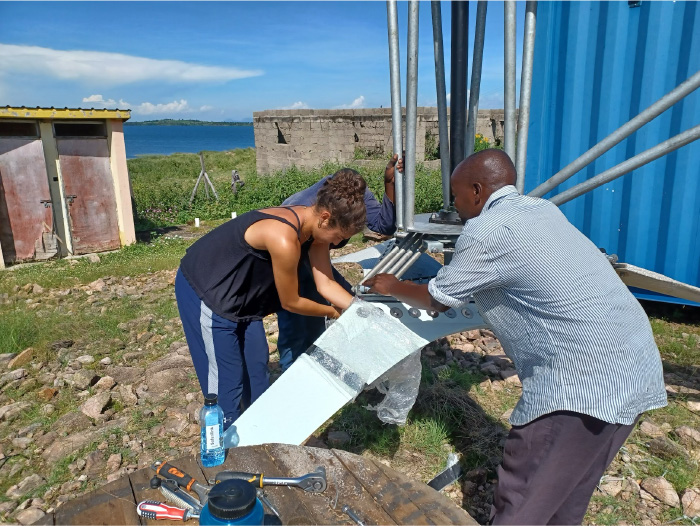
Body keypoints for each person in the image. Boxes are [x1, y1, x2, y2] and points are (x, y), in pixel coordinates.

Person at [365, 149, 667, 524]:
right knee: (567, 495)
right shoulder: (540, 210)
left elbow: (437, 299)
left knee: (523, 499)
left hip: (581, 386)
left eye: (456, 196)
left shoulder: (486, 230)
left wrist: (392, 284)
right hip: (635, 367)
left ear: (477, 191)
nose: (454, 207)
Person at [176, 169, 367, 429]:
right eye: (340, 237)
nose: (340, 243)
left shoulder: (316, 231)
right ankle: (220, 450)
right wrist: (333, 313)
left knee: (256, 372)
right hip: (209, 294)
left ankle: (254, 438)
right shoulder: (284, 237)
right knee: (226, 383)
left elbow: (326, 283)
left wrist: (361, 311)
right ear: (325, 218)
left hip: (245, 301)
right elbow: (291, 302)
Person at [275, 154, 402, 371]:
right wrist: (334, 306)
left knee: (336, 308)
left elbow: (384, 226)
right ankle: (291, 373)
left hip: (316, 258)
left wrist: (389, 183)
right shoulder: (302, 208)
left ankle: (317, 367)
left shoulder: (354, 197)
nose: (340, 241)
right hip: (290, 261)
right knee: (295, 322)